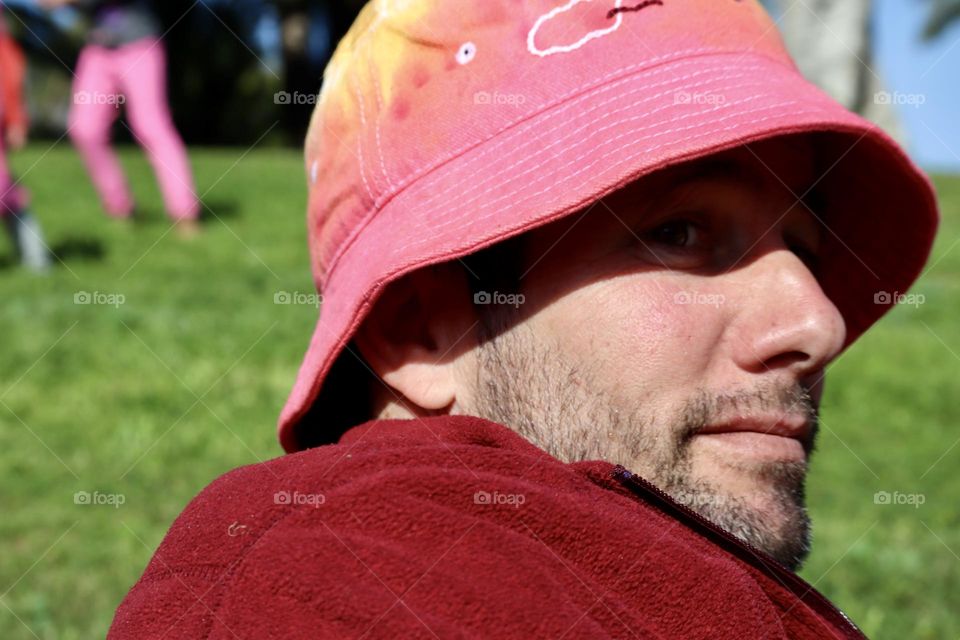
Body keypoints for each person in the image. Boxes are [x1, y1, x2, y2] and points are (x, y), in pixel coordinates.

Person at [109, 0, 939, 638]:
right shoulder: (343, 578)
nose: (819, 321)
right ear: (418, 329)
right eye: (678, 233)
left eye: (803, 244)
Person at [40, 0, 200, 235]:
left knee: (151, 126)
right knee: (85, 128)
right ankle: (120, 208)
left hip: (139, 44)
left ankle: (185, 214)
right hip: (98, 49)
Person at [0, 5, 51, 271]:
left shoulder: (5, 50)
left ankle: (36, 260)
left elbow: (12, 84)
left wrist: (17, 122)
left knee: (5, 192)